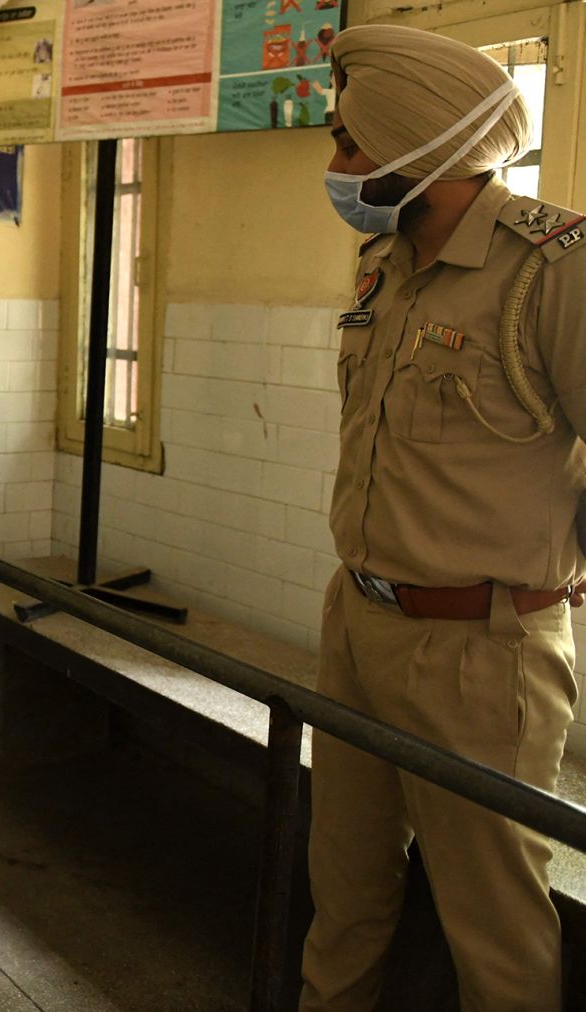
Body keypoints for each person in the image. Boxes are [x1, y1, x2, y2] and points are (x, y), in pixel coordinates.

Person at [302, 25, 586, 1011]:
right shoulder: (383, 266)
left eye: (350, 145)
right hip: (357, 625)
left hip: (481, 652)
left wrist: (557, 571)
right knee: (341, 900)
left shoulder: (553, 267)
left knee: (495, 935)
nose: (336, 168)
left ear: (420, 151)